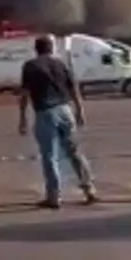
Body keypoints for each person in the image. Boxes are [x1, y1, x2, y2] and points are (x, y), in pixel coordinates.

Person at [18, 34, 98, 209]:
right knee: (74, 152)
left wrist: (22, 118)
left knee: (50, 156)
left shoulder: (31, 66)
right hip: (65, 110)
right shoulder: (61, 64)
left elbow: (24, 94)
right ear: (51, 48)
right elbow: (74, 88)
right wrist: (80, 111)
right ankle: (89, 189)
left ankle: (54, 196)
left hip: (45, 112)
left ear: (36, 49)